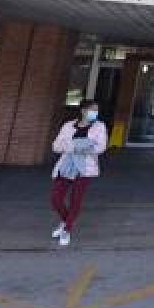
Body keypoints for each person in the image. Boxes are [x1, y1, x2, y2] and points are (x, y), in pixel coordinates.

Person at [50, 100, 107, 247]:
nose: (95, 113)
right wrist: (71, 146)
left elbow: (100, 147)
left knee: (76, 200)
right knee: (56, 198)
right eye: (92, 110)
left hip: (85, 168)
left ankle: (67, 230)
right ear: (83, 111)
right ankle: (65, 221)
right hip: (66, 165)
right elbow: (56, 146)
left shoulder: (99, 126)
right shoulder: (68, 126)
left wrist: (80, 148)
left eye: (97, 110)